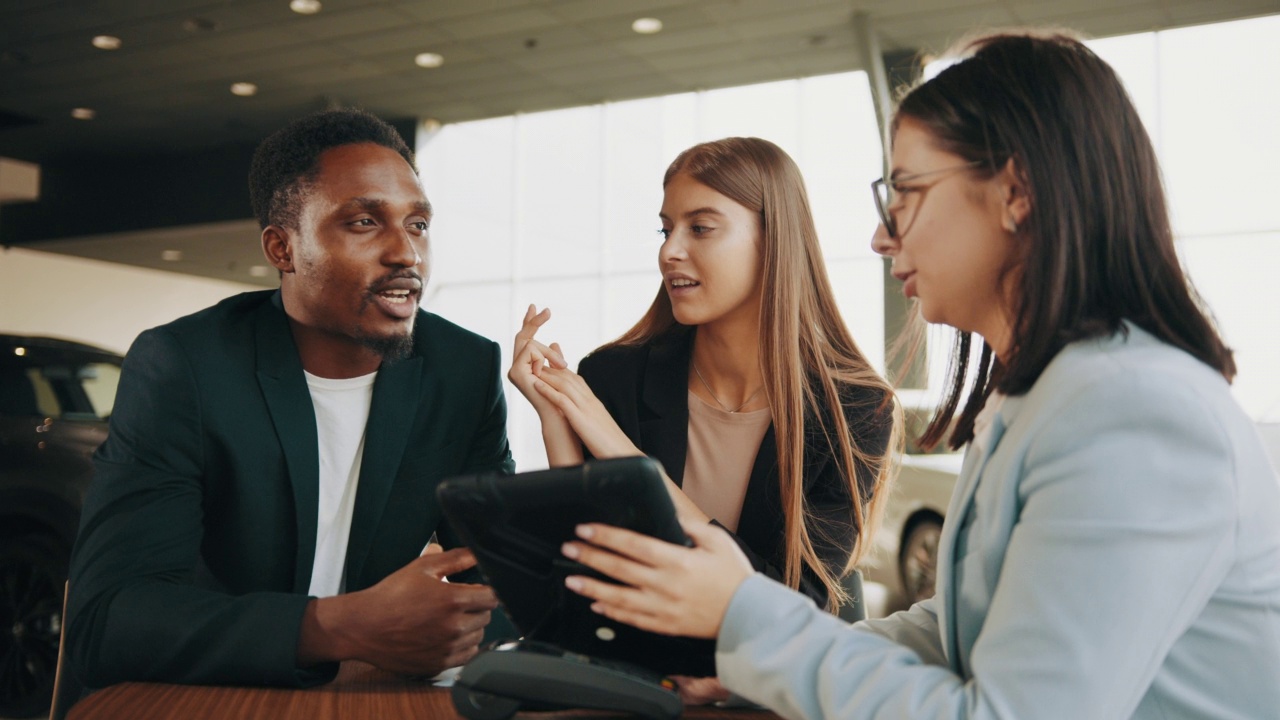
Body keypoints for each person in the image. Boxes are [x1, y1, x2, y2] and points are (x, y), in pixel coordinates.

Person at [556, 31, 1280, 719]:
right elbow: (960, 632)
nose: (882, 233)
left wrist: (746, 616)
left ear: (1015, 193)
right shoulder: (1054, 397)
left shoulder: (1131, 413)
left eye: (905, 190)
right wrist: (749, 663)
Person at [66, 109, 514, 690]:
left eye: (418, 224)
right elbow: (106, 622)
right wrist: (340, 627)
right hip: (215, 695)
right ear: (283, 248)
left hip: (373, 694)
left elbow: (509, 582)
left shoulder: (464, 368)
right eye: (363, 222)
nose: (407, 254)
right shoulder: (185, 366)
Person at [509, 138, 896, 616]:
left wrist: (625, 457)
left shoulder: (855, 408)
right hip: (637, 663)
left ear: (774, 239)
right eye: (666, 229)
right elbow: (592, 565)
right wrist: (556, 421)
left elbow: (792, 604)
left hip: (773, 676)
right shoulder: (614, 376)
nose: (670, 251)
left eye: (701, 228)